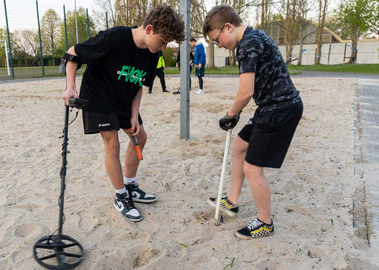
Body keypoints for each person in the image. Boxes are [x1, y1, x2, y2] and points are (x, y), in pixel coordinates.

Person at [62, 4, 185, 222]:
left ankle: (130, 185)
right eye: (163, 41)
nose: (164, 46)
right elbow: (73, 53)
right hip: (98, 97)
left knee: (140, 136)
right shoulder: (114, 38)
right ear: (148, 29)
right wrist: (70, 87)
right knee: (113, 143)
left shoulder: (151, 53)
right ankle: (121, 196)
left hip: (123, 99)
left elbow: (138, 84)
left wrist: (134, 115)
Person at [203, 4, 303, 240]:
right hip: (270, 107)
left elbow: (246, 91)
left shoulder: (247, 44)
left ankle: (265, 223)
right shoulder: (254, 36)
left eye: (217, 39)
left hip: (281, 108)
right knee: (239, 145)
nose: (218, 45)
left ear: (228, 27)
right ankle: (232, 201)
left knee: (252, 167)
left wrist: (230, 115)